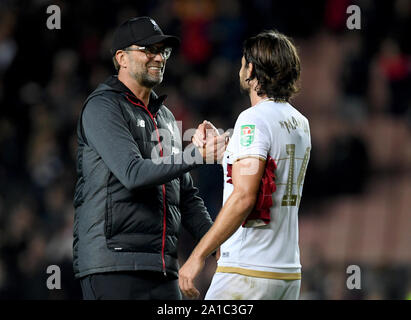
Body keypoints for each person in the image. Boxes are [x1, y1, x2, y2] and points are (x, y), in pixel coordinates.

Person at [73, 16, 227, 300]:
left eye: (163, 51)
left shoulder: (164, 116)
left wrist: (215, 244)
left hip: (162, 268)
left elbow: (186, 194)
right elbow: (133, 173)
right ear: (121, 58)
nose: (159, 57)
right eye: (148, 50)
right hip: (114, 267)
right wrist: (196, 154)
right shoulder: (102, 107)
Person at [179, 30, 311, 300]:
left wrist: (198, 255)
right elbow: (268, 171)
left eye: (242, 63)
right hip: (286, 274)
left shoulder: (252, 119)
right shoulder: (300, 123)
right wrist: (226, 150)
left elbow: (244, 196)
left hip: (247, 272)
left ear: (251, 69)